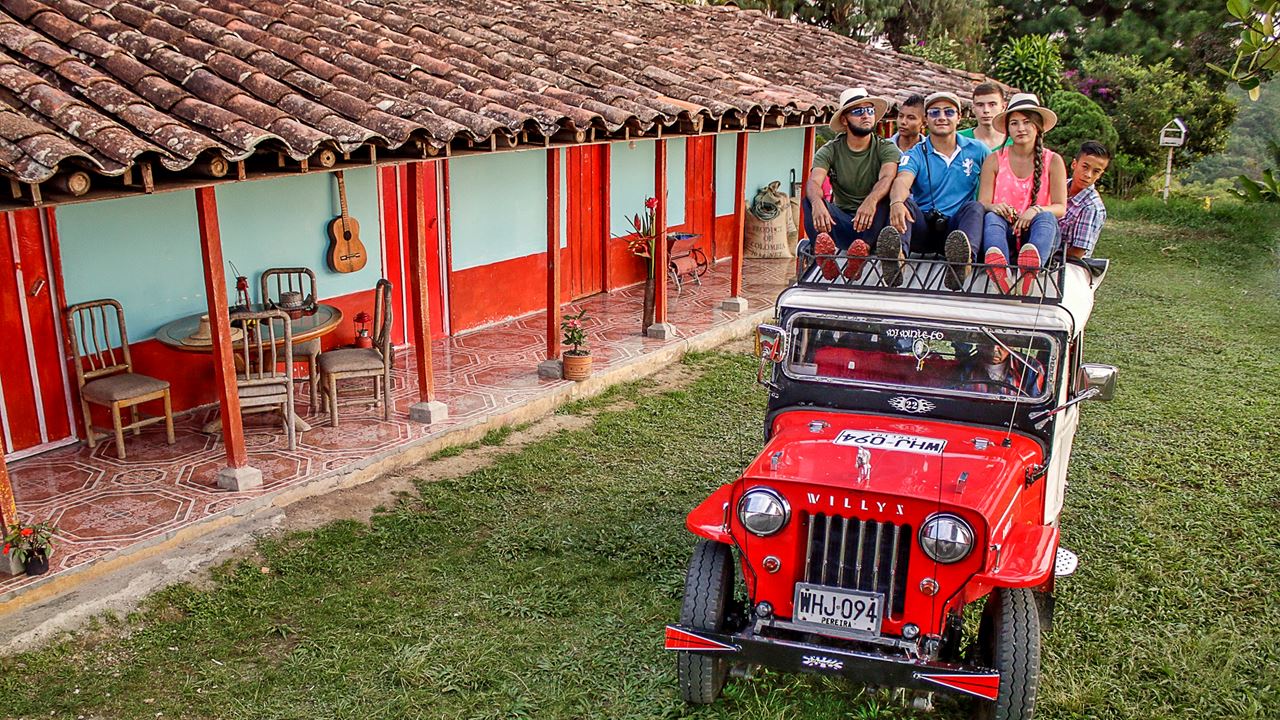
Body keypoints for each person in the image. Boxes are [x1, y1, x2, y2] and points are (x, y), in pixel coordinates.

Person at [881, 91, 991, 289]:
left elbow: (996, 181)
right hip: (923, 226)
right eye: (934, 112)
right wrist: (896, 202)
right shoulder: (915, 153)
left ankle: (962, 263)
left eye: (949, 112)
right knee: (905, 203)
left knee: (975, 207)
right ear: (927, 119)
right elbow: (902, 181)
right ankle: (896, 259)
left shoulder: (978, 150)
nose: (941, 117)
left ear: (959, 117)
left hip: (956, 232)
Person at [803, 88, 900, 280]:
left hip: (874, 225)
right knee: (809, 198)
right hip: (844, 222)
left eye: (869, 110)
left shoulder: (886, 148)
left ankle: (860, 256)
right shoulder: (830, 149)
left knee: (885, 196)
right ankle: (824, 258)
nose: (866, 115)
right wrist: (817, 203)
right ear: (845, 120)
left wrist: (871, 200)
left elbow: (887, 177)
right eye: (858, 112)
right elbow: (815, 180)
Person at [976, 93, 1067, 295]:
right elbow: (983, 201)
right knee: (991, 217)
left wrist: (1034, 210)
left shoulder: (1053, 160)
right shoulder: (995, 159)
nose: (1021, 128)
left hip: (1037, 233)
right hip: (1007, 232)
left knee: (1046, 217)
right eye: (1014, 123)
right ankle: (1000, 271)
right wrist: (995, 206)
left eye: (1026, 122)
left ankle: (1029, 272)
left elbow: (1060, 207)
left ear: (1037, 127)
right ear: (1008, 129)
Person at [1061, 141, 1111, 259]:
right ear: (1074, 164)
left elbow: (1077, 253)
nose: (1088, 175)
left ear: (1100, 174)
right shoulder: (1057, 186)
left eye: (1096, 171)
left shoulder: (1091, 207)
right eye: (1085, 167)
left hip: (1068, 265)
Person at [957, 341, 1045, 398]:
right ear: (979, 344)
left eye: (1001, 342)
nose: (994, 349)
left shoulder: (1030, 368)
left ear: (1012, 345)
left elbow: (1034, 403)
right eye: (988, 341)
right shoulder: (965, 367)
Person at [958, 83, 1011, 150]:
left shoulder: (1015, 141)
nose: (986, 110)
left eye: (992, 104)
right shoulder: (958, 140)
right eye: (980, 105)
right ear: (973, 108)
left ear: (1003, 107)